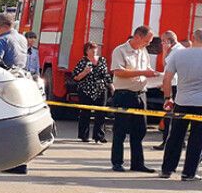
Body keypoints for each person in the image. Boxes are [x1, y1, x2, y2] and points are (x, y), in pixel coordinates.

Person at [109, 25, 161, 172]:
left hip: (140, 94)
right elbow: (118, 72)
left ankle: (137, 163)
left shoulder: (143, 51)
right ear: (137, 36)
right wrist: (143, 72)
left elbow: (146, 71)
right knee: (120, 130)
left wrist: (157, 77)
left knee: (140, 130)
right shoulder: (120, 51)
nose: (148, 44)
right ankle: (117, 162)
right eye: (147, 40)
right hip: (124, 94)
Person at [0, 13, 30, 174]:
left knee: (3, 126)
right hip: (21, 80)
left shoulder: (2, 40)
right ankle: (21, 162)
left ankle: (9, 163)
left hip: (4, 85)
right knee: (17, 124)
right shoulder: (22, 39)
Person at [160, 29, 202, 181]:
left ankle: (167, 169)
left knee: (175, 137)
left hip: (181, 101)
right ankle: (188, 173)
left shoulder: (179, 54)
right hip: (200, 104)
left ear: (193, 38)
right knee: (197, 140)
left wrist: (167, 97)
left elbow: (167, 78)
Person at [72, 42, 111, 143]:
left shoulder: (102, 60)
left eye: (95, 49)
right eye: (91, 49)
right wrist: (85, 72)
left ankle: (99, 136)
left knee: (101, 113)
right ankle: (84, 135)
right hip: (86, 89)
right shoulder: (83, 62)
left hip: (100, 89)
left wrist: (111, 86)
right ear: (86, 51)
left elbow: (106, 75)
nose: (94, 51)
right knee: (85, 113)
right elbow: (75, 77)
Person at [155, 31, 184, 151]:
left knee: (170, 114)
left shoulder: (177, 51)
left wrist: (166, 87)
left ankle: (168, 141)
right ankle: (170, 140)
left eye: (163, 40)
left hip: (174, 86)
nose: (162, 43)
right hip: (172, 84)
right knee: (170, 115)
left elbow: (168, 69)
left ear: (168, 40)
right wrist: (165, 51)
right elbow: (165, 65)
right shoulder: (173, 50)